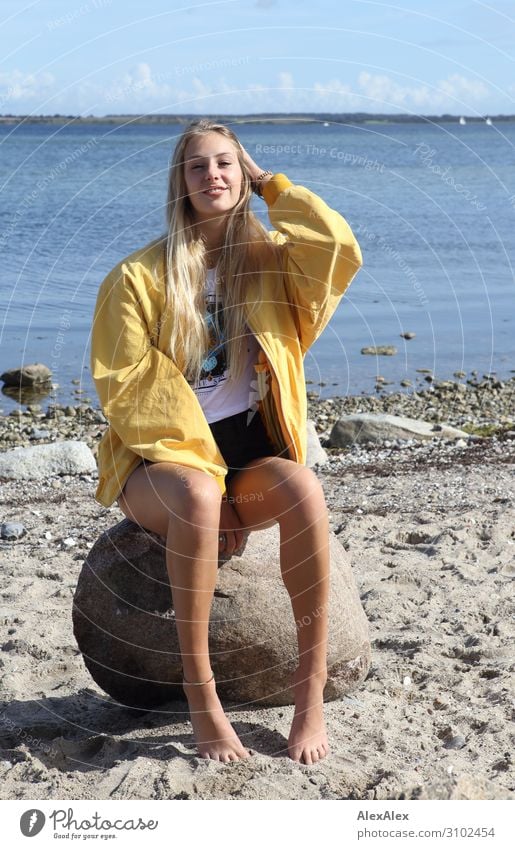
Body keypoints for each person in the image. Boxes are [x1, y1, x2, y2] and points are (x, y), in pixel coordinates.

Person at [91, 118, 362, 765]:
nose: (211, 175)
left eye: (226, 164)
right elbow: (124, 387)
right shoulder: (136, 277)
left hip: (248, 450)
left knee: (301, 486)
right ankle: (202, 693)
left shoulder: (269, 265)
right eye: (197, 166)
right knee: (194, 494)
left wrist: (274, 184)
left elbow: (337, 247)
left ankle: (307, 692)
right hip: (163, 459)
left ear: (242, 177)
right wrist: (210, 481)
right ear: (179, 184)